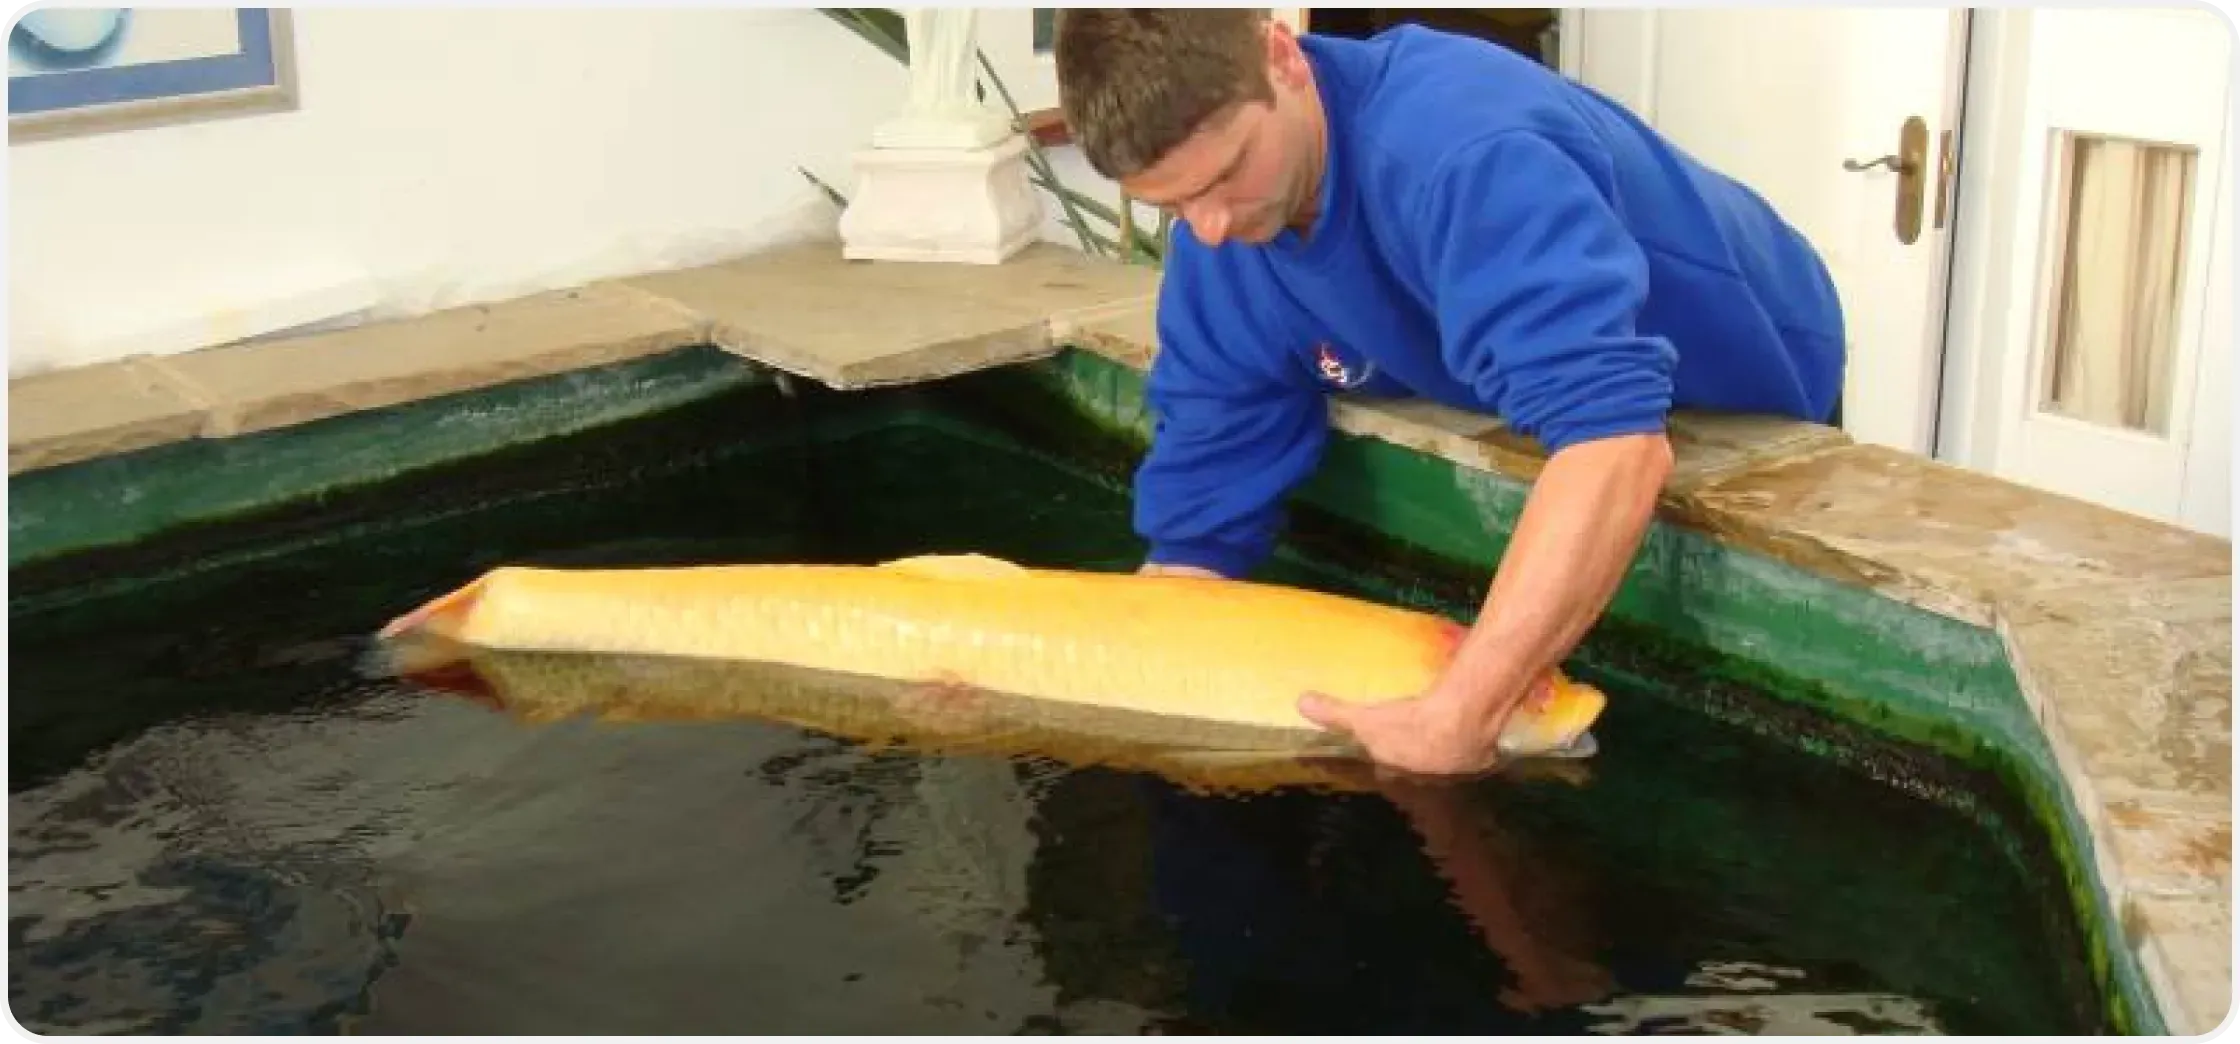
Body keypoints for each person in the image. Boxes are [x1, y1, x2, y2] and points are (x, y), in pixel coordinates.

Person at [1051, 11, 1846, 776]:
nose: (1212, 225)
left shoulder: (1464, 151)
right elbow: (1200, 523)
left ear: (1283, 59)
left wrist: (1464, 712)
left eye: (1227, 173)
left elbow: (1617, 446)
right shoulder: (1220, 241)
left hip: (1749, 361)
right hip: (1503, 343)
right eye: (1173, 204)